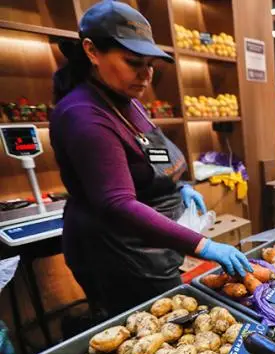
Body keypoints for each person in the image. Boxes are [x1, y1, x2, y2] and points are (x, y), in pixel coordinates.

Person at [49, 1, 252, 317]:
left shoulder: (127, 100)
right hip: (119, 253)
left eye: (150, 64)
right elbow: (117, 204)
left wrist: (179, 186)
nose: (145, 75)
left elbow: (149, 158)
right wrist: (202, 245)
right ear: (91, 51)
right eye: (133, 62)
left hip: (151, 245)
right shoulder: (84, 116)